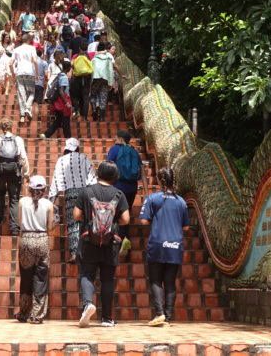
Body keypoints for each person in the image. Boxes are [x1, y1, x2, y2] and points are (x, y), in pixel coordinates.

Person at [75, 161, 130, 328]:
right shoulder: (119, 194)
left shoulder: (86, 191)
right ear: (114, 176)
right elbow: (126, 220)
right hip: (109, 243)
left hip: (88, 241)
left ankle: (87, 305)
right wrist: (111, 223)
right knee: (107, 279)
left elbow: (76, 215)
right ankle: (106, 318)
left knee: (87, 274)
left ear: (98, 173)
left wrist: (90, 221)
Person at [139, 167, 189, 326]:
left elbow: (143, 221)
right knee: (170, 281)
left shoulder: (152, 198)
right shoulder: (181, 201)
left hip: (158, 242)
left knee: (155, 280)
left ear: (160, 180)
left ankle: (159, 313)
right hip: (175, 244)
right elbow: (186, 227)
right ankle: (168, 317)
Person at [48, 137, 96, 263]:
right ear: (77, 148)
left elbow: (56, 181)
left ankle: (74, 254)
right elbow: (92, 178)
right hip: (86, 194)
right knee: (86, 222)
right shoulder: (84, 158)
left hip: (70, 195)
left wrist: (51, 200)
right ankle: (86, 252)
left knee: (72, 223)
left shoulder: (61, 160)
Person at [16, 175, 56, 324]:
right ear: (44, 190)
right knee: (40, 278)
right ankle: (37, 315)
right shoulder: (49, 205)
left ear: (30, 188)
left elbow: (19, 223)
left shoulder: (22, 202)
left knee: (26, 278)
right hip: (42, 240)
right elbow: (50, 227)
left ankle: (24, 312)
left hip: (26, 239)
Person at [0, 118, 30, 235]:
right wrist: (26, 174)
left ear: (1, 128)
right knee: (14, 199)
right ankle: (14, 228)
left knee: (0, 193)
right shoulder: (18, 140)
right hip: (14, 172)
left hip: (0, 172)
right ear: (12, 127)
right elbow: (23, 157)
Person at [106, 130, 141, 254]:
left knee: (116, 215)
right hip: (132, 189)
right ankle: (125, 239)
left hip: (118, 187)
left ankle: (119, 241)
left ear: (120, 139)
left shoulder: (115, 149)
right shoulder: (134, 151)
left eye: (116, 137)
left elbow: (108, 167)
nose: (114, 139)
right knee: (125, 213)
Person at [89, 43, 120, 121]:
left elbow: (91, 71)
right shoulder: (108, 59)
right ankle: (102, 117)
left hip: (95, 79)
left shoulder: (94, 59)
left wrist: (90, 83)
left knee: (93, 95)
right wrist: (110, 82)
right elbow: (110, 71)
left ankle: (95, 109)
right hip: (105, 79)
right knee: (103, 96)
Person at [13, 33, 39, 123]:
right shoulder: (32, 48)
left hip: (19, 73)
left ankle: (22, 116)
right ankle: (27, 108)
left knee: (21, 94)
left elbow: (10, 63)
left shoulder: (16, 49)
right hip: (30, 73)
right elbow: (35, 61)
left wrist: (13, 74)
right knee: (31, 93)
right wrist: (37, 73)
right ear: (29, 40)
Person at [44, 60, 72, 139]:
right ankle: (68, 138)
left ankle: (46, 134)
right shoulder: (64, 78)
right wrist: (66, 103)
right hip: (62, 101)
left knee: (59, 120)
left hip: (57, 101)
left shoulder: (59, 75)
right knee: (66, 120)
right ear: (69, 69)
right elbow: (61, 90)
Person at [70, 49, 92, 120]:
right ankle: (85, 116)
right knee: (85, 97)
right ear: (87, 48)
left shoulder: (75, 56)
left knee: (75, 97)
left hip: (77, 79)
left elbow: (71, 65)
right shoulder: (88, 56)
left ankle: (76, 112)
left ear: (79, 48)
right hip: (86, 79)